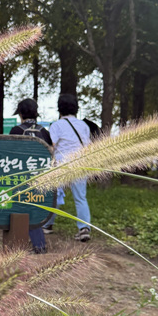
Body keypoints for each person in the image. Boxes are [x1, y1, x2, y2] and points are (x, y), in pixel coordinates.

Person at [47, 92, 92, 241]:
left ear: (59, 108)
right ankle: (84, 228)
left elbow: (51, 146)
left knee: (55, 195)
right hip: (80, 164)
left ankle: (47, 224)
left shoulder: (56, 125)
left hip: (62, 164)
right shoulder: (84, 126)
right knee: (80, 198)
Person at [10, 98, 52, 254]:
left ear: (21, 114)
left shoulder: (16, 130)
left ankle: (36, 245)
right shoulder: (44, 132)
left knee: (23, 208)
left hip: (21, 177)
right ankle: (37, 243)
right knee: (34, 208)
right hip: (42, 177)